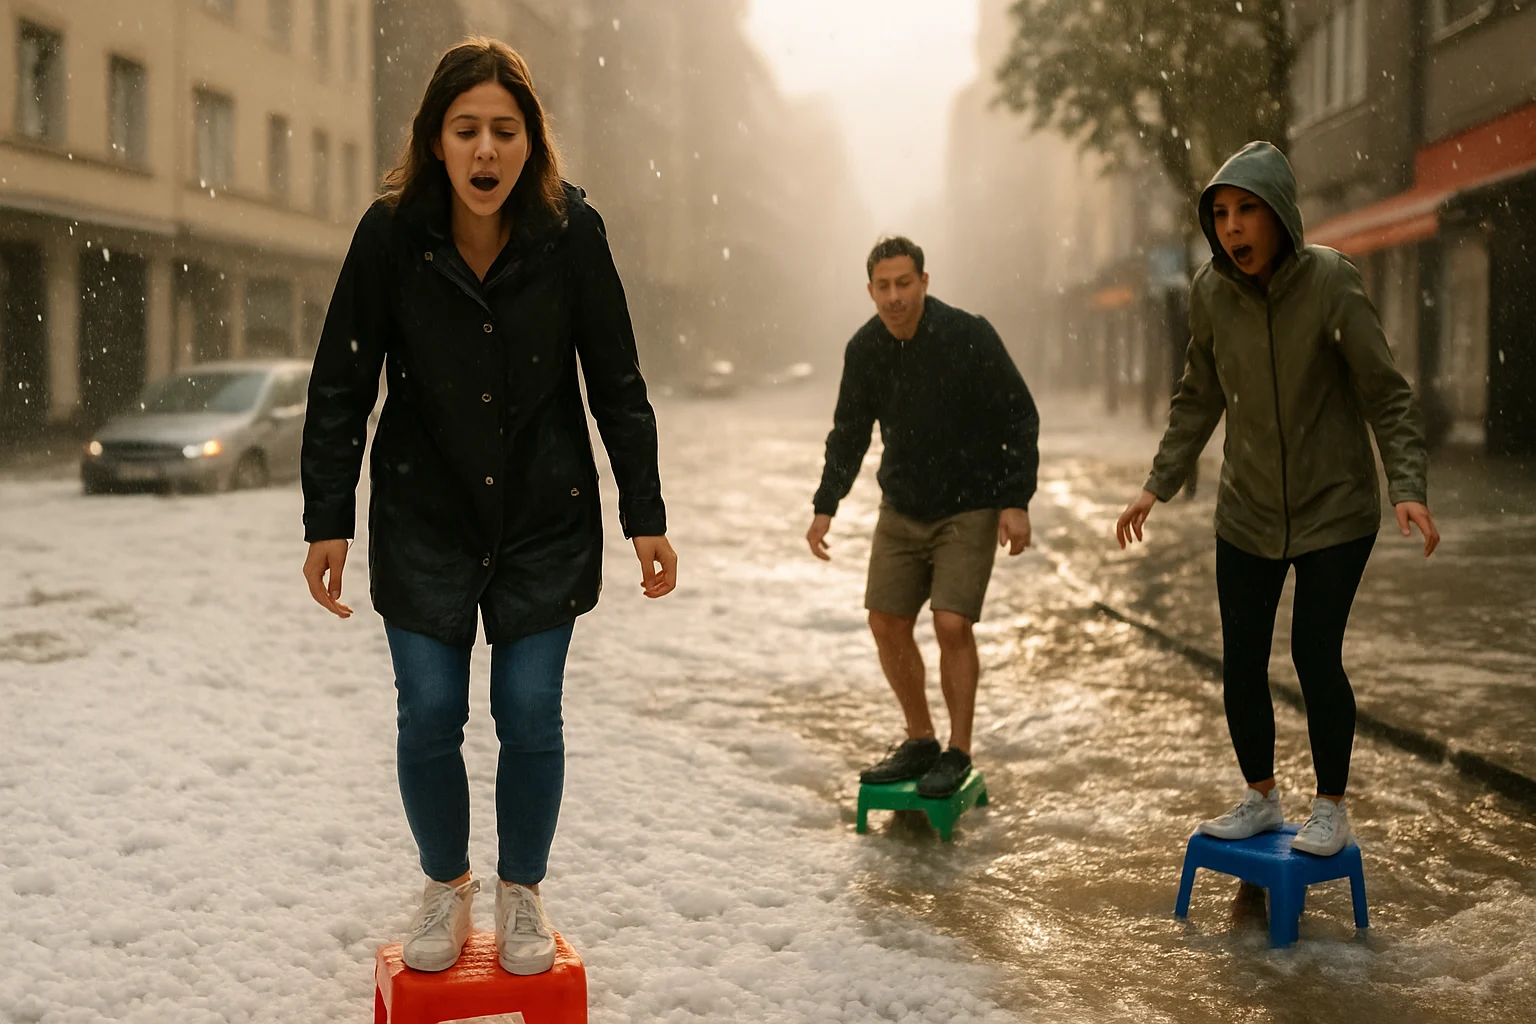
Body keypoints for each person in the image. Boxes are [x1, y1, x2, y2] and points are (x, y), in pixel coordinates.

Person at [299, 39, 677, 975]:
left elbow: (617, 381)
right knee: (428, 712)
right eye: (465, 128)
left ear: (529, 141)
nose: (485, 149)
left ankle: (522, 895)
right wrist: (326, 518)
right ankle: (444, 888)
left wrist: (646, 512)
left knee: (528, 706)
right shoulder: (390, 234)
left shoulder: (571, 232)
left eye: (504, 130)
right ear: (435, 139)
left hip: (544, 514)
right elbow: (342, 383)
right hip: (424, 514)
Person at [1116, 141, 1438, 857]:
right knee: (1242, 662)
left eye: (1247, 211)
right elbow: (1198, 397)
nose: (1233, 228)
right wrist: (1156, 484)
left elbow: (1386, 394)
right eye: (1221, 214)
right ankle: (1261, 799)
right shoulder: (1209, 292)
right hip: (1247, 509)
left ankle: (1330, 809)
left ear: (1280, 215)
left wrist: (1407, 488)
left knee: (1315, 655)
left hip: (1335, 508)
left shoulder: (1330, 282)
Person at [807, 236, 1039, 799]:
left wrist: (1015, 500)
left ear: (924, 282)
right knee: (885, 621)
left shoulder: (968, 336)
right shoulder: (865, 349)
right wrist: (825, 505)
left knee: (952, 623)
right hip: (902, 505)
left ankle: (958, 751)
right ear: (870, 291)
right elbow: (850, 431)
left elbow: (1018, 415)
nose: (894, 297)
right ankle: (920, 739)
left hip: (970, 504)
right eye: (882, 287)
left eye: (903, 283)